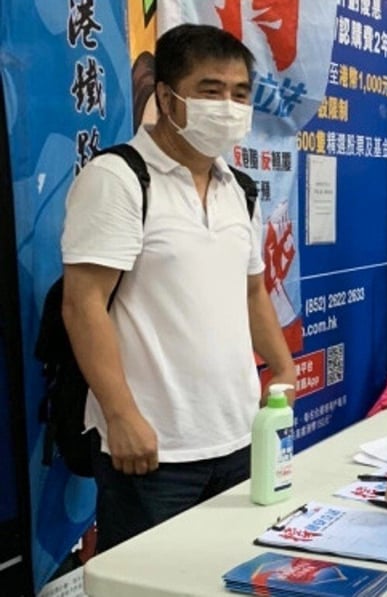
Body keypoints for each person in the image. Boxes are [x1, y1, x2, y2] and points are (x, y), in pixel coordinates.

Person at [61, 24, 296, 552]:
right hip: (152, 449)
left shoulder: (238, 187)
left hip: (239, 438)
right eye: (210, 91)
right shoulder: (119, 178)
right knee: (147, 584)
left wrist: (281, 367)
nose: (229, 106)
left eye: (240, 94)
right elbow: (83, 305)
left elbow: (253, 290)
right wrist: (120, 416)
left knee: (232, 571)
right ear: (166, 97)